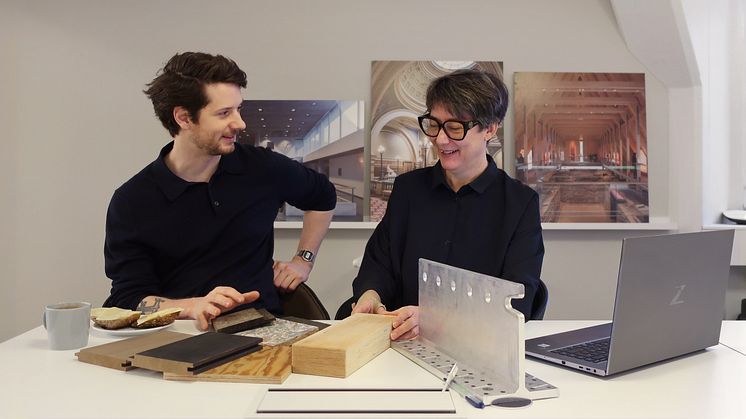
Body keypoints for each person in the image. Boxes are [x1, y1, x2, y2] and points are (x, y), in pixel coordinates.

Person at [103, 52, 336, 330]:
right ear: (184, 118)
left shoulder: (263, 167)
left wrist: (303, 260)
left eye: (238, 109)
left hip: (262, 330)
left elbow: (323, 196)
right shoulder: (132, 201)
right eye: (224, 113)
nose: (240, 123)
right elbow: (128, 297)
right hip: (176, 335)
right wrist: (193, 306)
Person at [351, 69, 544, 340]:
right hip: (402, 344)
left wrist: (433, 320)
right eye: (434, 124)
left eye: (455, 127)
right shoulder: (408, 190)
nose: (440, 139)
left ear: (490, 128)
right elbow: (379, 263)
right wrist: (371, 294)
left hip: (478, 349)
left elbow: (517, 300)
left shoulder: (519, 204)